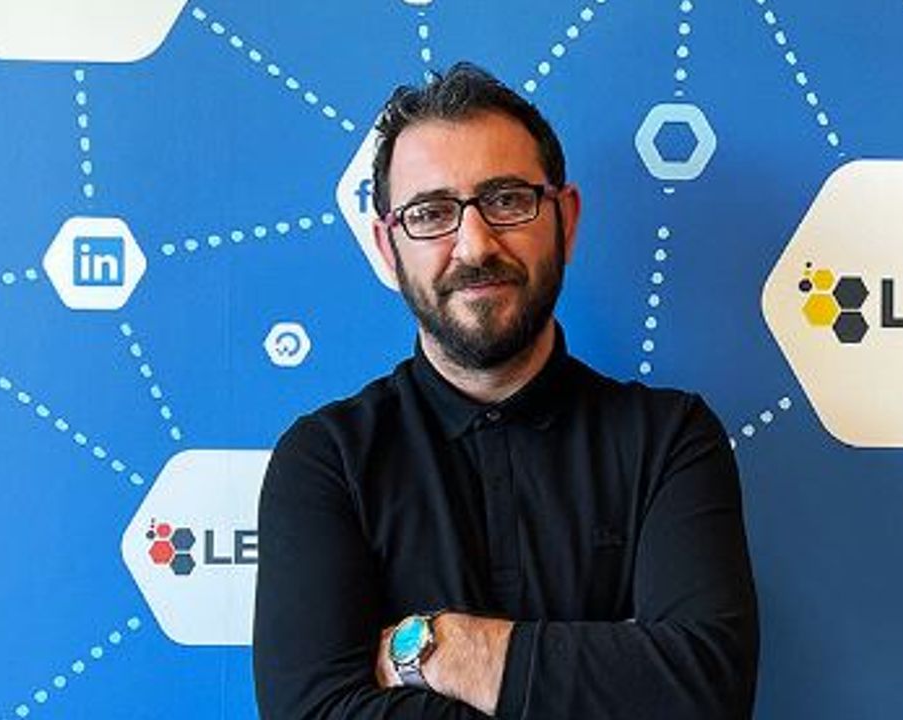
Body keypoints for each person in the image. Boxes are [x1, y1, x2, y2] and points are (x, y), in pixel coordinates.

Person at [253, 62, 758, 719]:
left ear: (565, 220)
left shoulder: (669, 440)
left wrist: (447, 649)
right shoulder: (327, 460)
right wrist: (611, 676)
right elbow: (311, 713)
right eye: (431, 213)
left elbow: (706, 694)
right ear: (386, 246)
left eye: (507, 200)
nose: (474, 245)